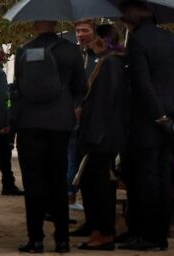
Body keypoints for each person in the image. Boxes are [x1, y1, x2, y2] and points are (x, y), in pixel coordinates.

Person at [119, 1, 174, 251]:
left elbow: (142, 83)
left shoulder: (137, 41)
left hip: (146, 120)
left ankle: (147, 234)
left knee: (145, 179)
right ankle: (158, 233)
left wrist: (159, 116)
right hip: (172, 118)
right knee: (162, 177)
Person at [13, 20, 87, 254]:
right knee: (57, 178)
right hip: (60, 123)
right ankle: (62, 239)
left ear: (34, 24)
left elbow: (18, 86)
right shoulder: (71, 50)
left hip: (30, 122)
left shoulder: (24, 50)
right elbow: (81, 88)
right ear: (55, 23)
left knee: (33, 181)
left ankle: (35, 239)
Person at [76, 24, 128, 251]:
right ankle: (98, 229)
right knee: (91, 182)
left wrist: (94, 134)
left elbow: (107, 104)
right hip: (98, 134)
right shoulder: (106, 64)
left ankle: (104, 231)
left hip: (101, 136)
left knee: (98, 184)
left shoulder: (111, 65)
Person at [67, 20, 98, 222]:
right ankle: (70, 195)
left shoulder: (100, 56)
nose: (80, 34)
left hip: (93, 115)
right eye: (78, 30)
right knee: (71, 156)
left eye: (85, 30)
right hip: (72, 114)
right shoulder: (74, 55)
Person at [0, 49, 24, 196]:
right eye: (0, 53)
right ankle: (8, 183)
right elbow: (4, 99)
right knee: (4, 154)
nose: (4, 56)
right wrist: (5, 121)